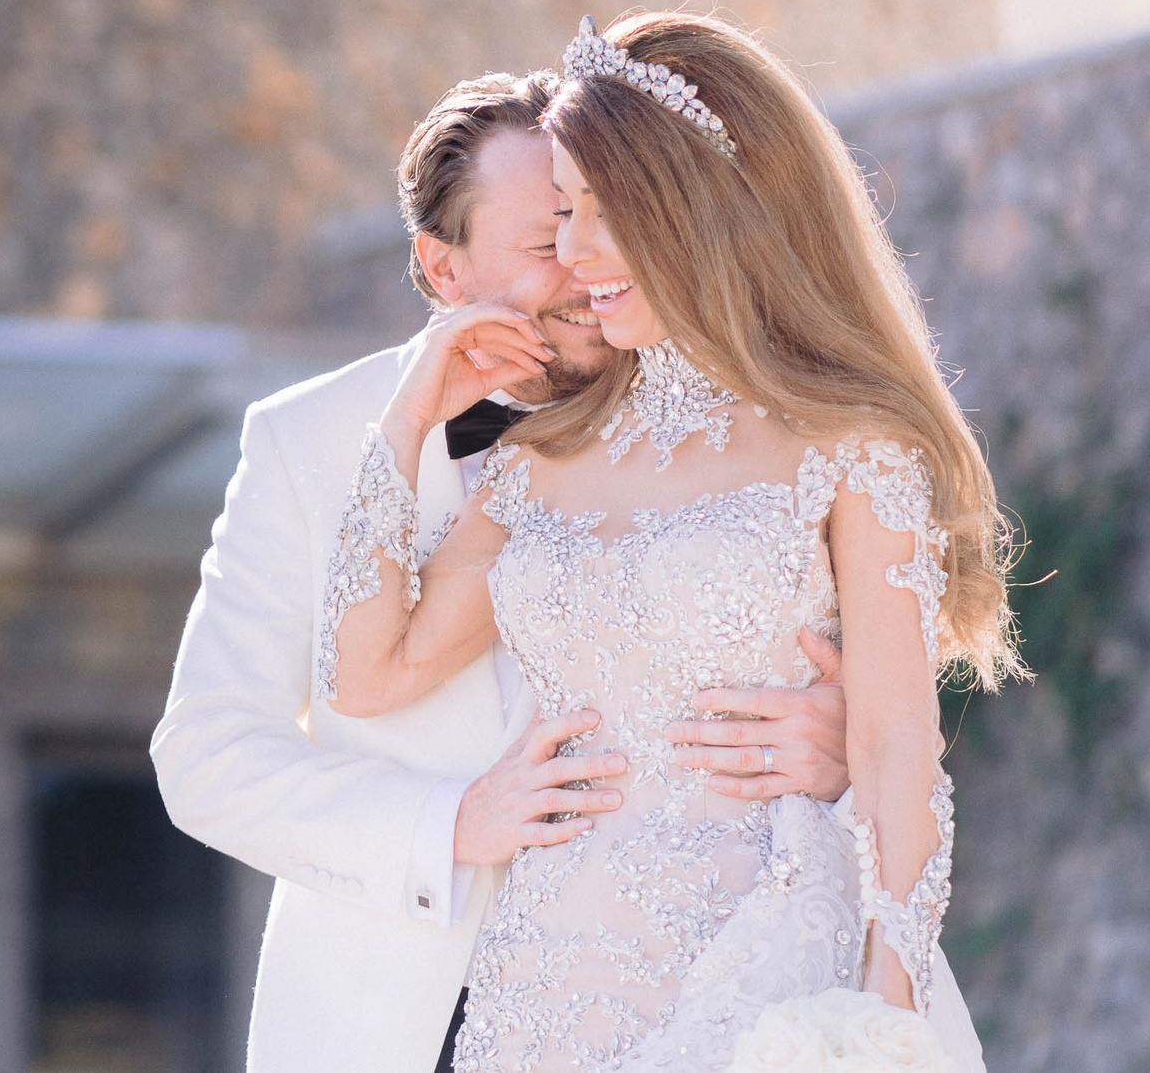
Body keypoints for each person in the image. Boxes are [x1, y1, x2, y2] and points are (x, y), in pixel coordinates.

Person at [323, 12, 1019, 1072]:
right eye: (562, 212)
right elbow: (366, 672)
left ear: (698, 209)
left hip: (760, 978)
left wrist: (883, 1022)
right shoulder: (537, 457)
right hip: (537, 998)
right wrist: (409, 411)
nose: (573, 252)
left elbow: (892, 750)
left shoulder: (850, 446)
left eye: (604, 212)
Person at [151, 67, 865, 1073]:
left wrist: (846, 749)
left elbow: (889, 664)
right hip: (399, 1021)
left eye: (596, 219)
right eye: (545, 242)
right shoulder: (304, 443)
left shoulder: (737, 416)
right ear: (441, 271)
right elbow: (205, 757)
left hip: (709, 995)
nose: (584, 266)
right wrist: (446, 825)